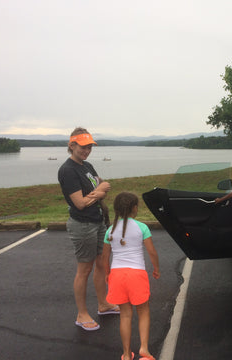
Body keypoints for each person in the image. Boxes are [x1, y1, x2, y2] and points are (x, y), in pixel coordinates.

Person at [58, 127, 119, 331]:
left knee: (102, 264)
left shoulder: (87, 165)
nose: (86, 151)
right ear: (72, 145)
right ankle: (82, 314)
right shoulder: (68, 170)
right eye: (83, 147)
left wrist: (102, 185)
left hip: (98, 221)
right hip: (83, 224)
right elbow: (80, 203)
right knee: (84, 270)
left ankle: (103, 304)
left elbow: (98, 183)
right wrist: (100, 191)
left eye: (89, 147)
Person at [102, 192, 160, 360]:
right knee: (143, 312)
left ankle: (127, 354)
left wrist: (107, 274)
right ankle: (144, 349)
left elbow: (105, 257)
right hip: (137, 274)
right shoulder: (142, 227)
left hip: (117, 275)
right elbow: (151, 251)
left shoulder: (110, 230)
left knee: (125, 315)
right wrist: (156, 268)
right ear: (135, 208)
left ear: (117, 209)